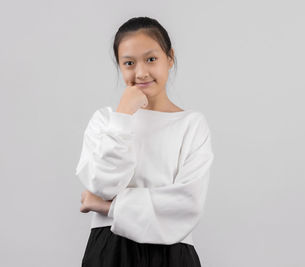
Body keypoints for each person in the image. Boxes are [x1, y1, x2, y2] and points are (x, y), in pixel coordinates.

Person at [74, 16, 214, 267]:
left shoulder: (191, 124)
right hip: (110, 250)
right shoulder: (105, 121)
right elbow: (104, 184)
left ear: (169, 58)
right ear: (119, 65)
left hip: (172, 253)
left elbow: (187, 204)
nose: (141, 72)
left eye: (151, 59)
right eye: (129, 63)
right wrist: (124, 115)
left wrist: (105, 207)